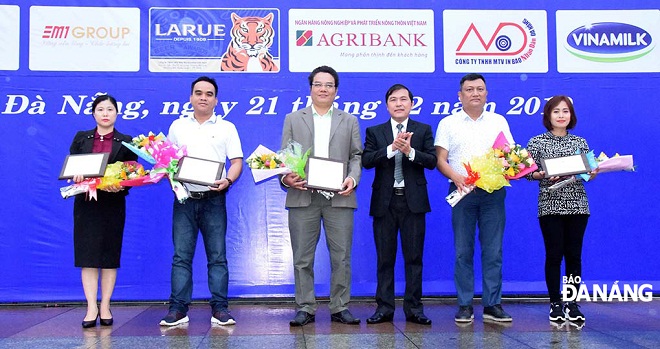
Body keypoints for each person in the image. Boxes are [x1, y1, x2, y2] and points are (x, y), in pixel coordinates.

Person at [281, 65, 363, 326]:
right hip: (303, 196)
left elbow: (356, 156)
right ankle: (305, 307)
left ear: (336, 90)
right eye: (318, 84)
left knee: (341, 256)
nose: (324, 89)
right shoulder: (293, 119)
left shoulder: (349, 120)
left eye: (329, 85)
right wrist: (287, 178)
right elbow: (286, 156)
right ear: (311, 88)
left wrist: (352, 178)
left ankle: (340, 306)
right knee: (302, 258)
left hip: (339, 197)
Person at [159, 76, 243, 327]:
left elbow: (237, 161)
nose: (203, 97)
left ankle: (220, 308)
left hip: (214, 199)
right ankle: (177, 309)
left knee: (217, 256)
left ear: (216, 100)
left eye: (208, 93)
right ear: (191, 97)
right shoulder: (177, 126)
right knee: (181, 256)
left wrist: (227, 180)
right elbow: (166, 162)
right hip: (184, 200)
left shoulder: (227, 127)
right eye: (198, 93)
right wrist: (172, 178)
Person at [434, 73, 514, 323]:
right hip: (461, 192)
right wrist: (458, 177)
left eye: (480, 89)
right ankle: (465, 304)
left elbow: (510, 156)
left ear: (487, 94)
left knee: (493, 250)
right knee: (462, 250)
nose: (475, 93)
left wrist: (509, 165)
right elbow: (440, 160)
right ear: (460, 95)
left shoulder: (498, 121)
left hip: (493, 193)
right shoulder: (448, 123)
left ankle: (492, 304)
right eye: (469, 89)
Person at [362, 84, 437, 325]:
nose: (399, 103)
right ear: (387, 105)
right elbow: (367, 161)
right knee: (385, 258)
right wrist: (391, 148)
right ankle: (384, 308)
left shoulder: (422, 129)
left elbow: (432, 161)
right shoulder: (375, 131)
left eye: (403, 99)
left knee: (414, 258)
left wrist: (410, 152)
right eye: (393, 100)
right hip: (385, 201)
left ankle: (414, 309)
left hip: (413, 201)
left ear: (411, 104)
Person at [69, 94, 138, 328]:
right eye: (101, 109)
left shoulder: (126, 141)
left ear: (117, 113)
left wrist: (122, 184)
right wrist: (76, 175)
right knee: (88, 257)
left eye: (110, 109)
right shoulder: (81, 138)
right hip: (86, 204)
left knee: (109, 258)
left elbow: (132, 174)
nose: (105, 114)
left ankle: (106, 305)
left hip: (112, 204)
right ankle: (90, 307)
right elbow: (72, 167)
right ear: (93, 114)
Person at [526, 96, 593, 322]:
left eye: (565, 111)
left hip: (577, 204)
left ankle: (572, 304)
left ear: (571, 115)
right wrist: (542, 175)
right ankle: (555, 303)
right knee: (554, 255)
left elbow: (587, 173)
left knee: (574, 256)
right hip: (550, 205)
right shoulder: (536, 142)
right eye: (556, 111)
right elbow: (527, 173)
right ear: (548, 115)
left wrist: (591, 172)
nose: (561, 115)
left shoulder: (580, 142)